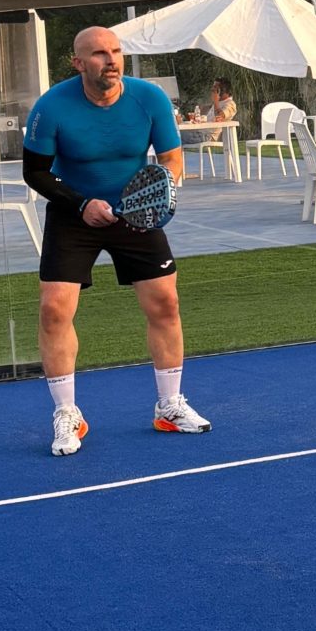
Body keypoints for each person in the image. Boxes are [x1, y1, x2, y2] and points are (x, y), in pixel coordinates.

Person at [23, 26, 211, 456]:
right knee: (54, 310)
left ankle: (169, 406)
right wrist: (81, 203)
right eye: (98, 54)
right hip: (74, 213)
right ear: (78, 63)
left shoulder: (149, 98)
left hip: (137, 211)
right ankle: (67, 414)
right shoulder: (52, 106)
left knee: (166, 303)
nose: (110, 60)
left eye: (116, 51)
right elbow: (35, 172)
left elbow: (170, 156)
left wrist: (165, 187)